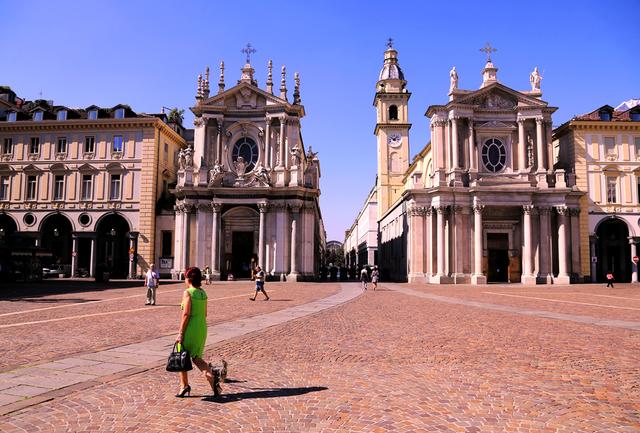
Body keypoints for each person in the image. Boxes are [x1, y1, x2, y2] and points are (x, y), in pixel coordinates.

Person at [175, 267, 220, 397]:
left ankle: (184, 386)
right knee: (196, 357)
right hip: (202, 328)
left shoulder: (188, 292)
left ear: (188, 279)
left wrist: (181, 333)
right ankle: (211, 376)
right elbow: (205, 313)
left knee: (181, 355)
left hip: (190, 328)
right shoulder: (203, 293)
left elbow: (186, 314)